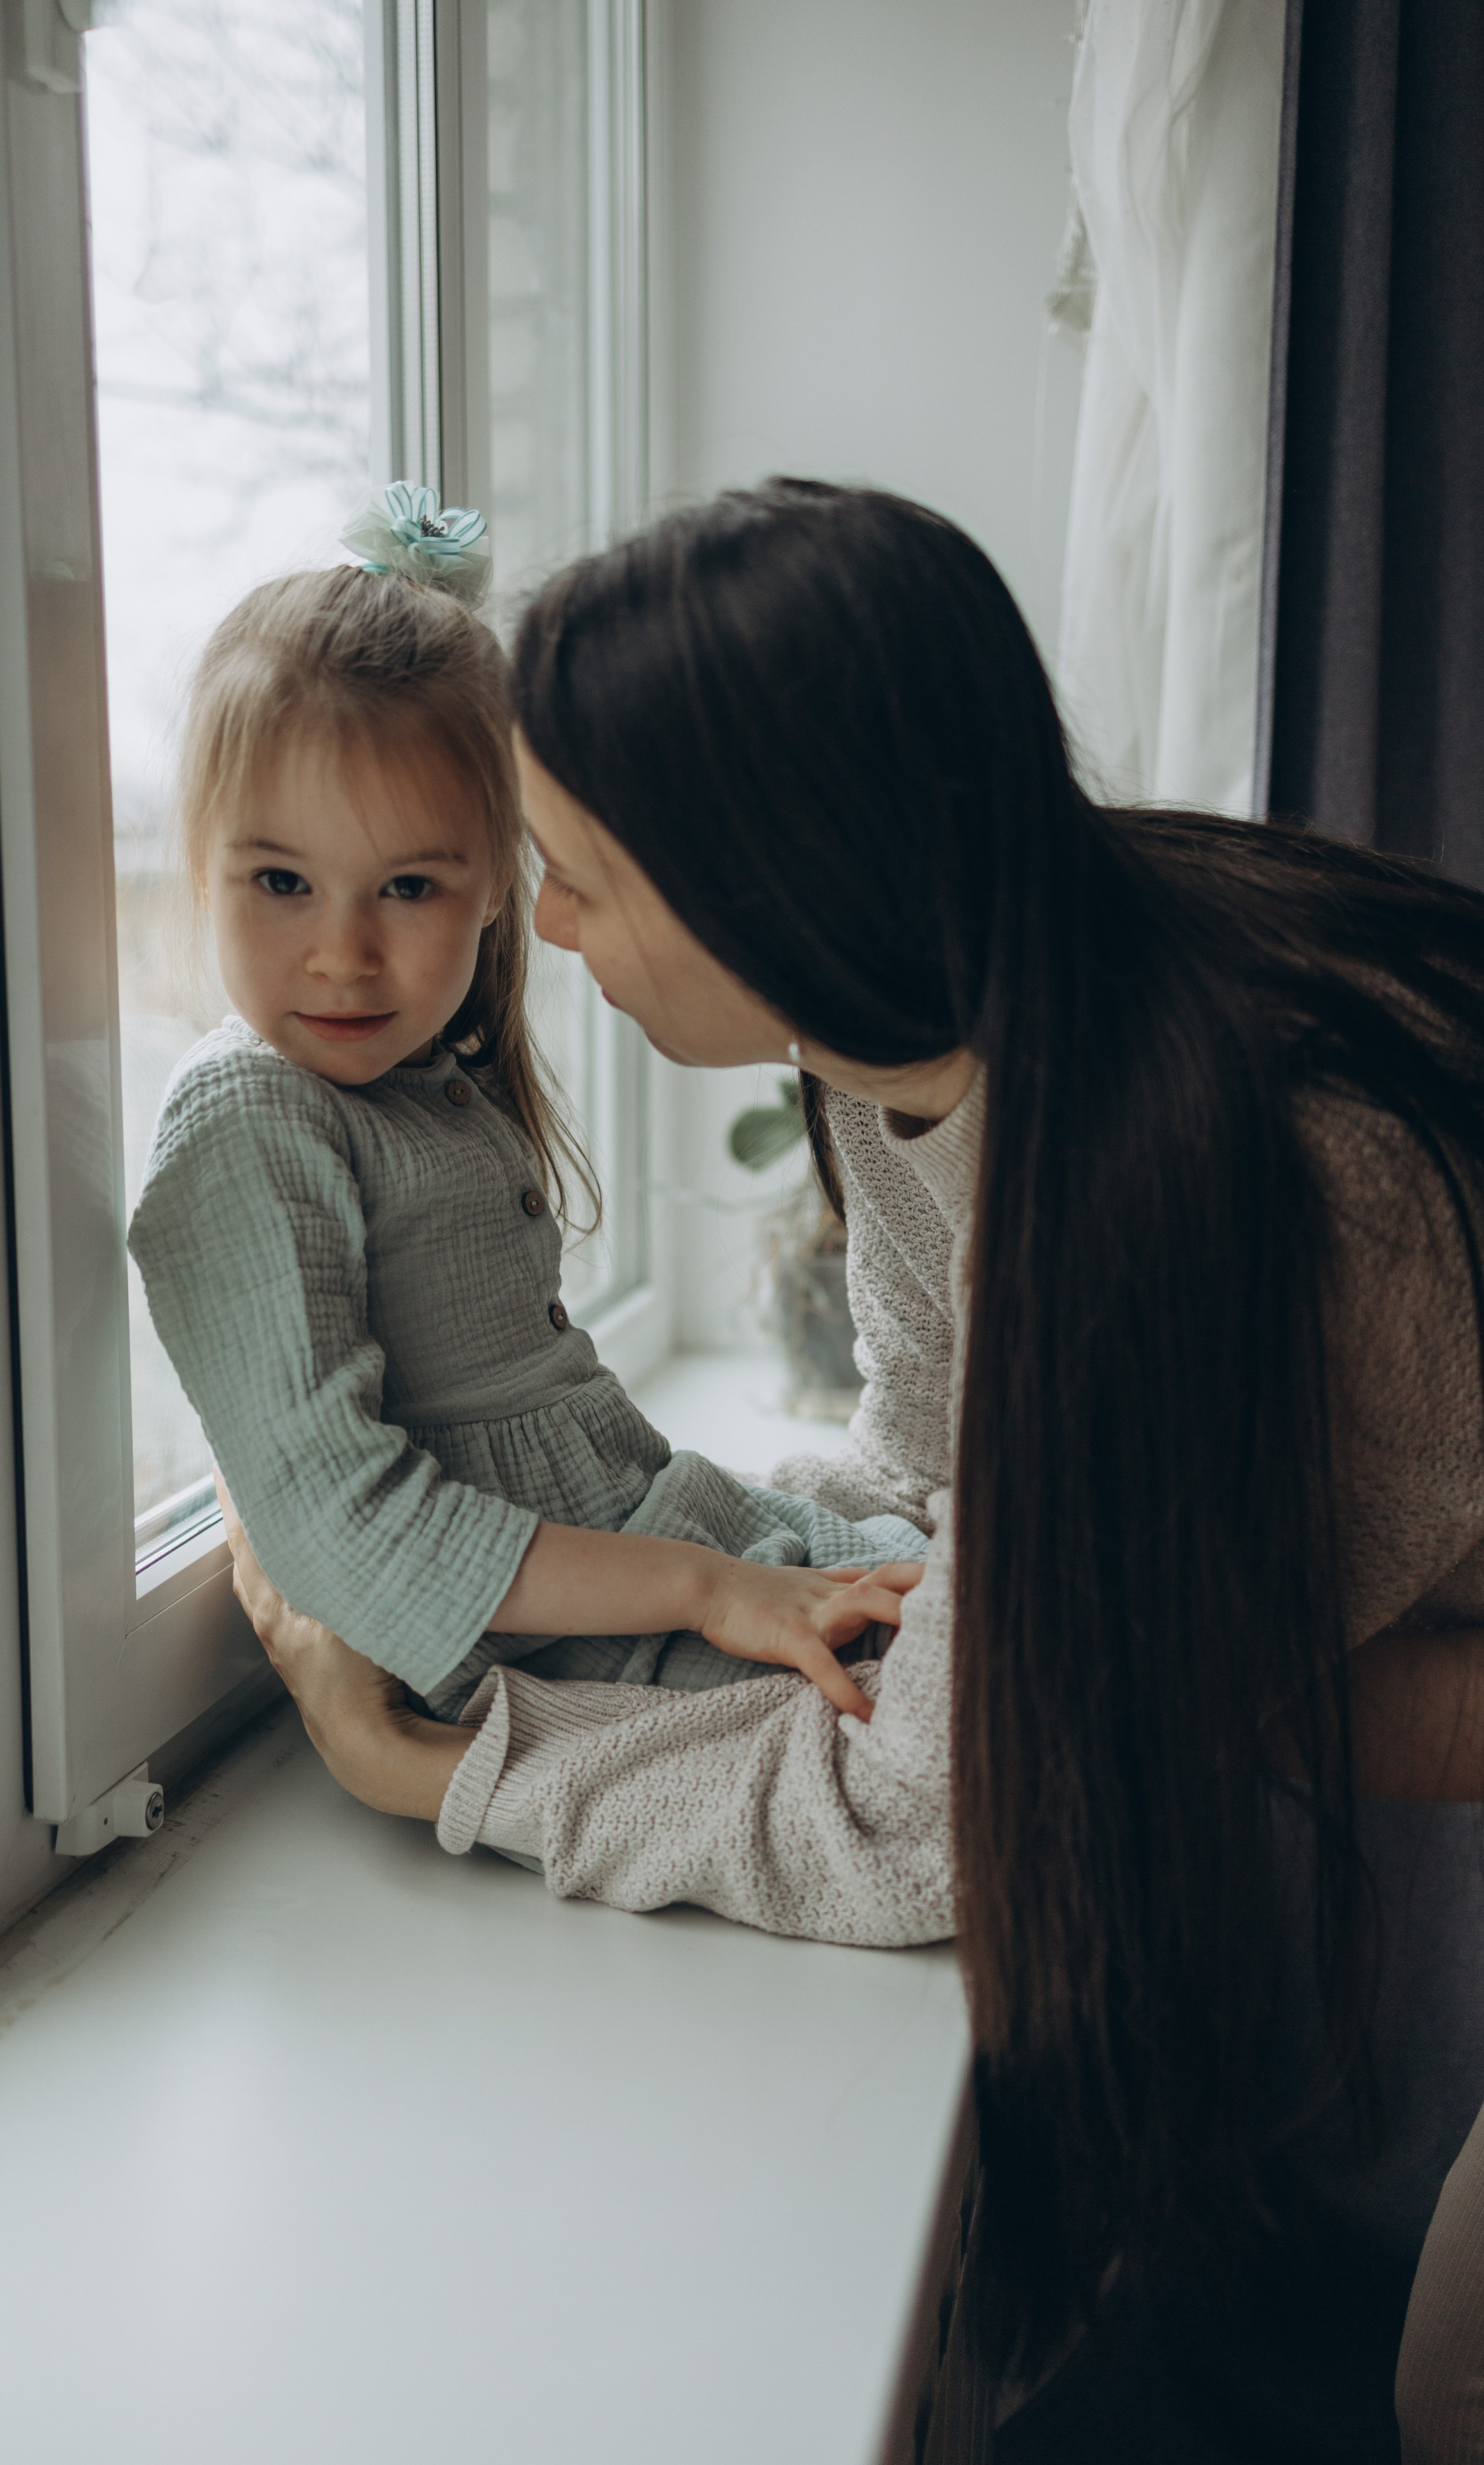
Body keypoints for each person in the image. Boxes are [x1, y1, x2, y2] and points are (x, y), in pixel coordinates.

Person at [221, 480, 1484, 2459]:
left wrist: (446, 1767)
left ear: (768, 884)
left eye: (571, 872)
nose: (537, 927)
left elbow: (931, 1818)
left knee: (1446, 2391)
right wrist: (722, 1558)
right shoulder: (941, 1045)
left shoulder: (1221, 1171)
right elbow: (952, 1481)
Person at [127, 483, 927, 1743]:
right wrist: (710, 1585)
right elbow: (348, 1526)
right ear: (201, 864)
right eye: (280, 879)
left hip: (674, 1557)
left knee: (1021, 1621)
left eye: (406, 886)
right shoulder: (246, 1123)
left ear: (497, 885)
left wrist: (732, 1563)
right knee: (974, 1733)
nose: (341, 953)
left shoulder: (429, 1080)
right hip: (572, 1642)